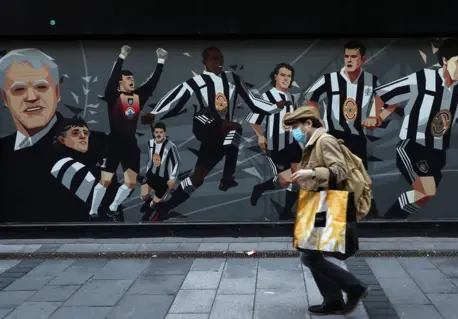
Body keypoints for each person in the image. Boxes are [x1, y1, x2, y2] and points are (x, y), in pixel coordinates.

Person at [147, 47, 289, 217]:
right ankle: (228, 176)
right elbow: (176, 96)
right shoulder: (197, 82)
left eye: (220, 59)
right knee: (233, 127)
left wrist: (274, 107)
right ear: (205, 62)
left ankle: (165, 207)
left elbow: (253, 101)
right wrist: (155, 113)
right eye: (214, 59)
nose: (218, 62)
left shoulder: (232, 78)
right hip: (204, 125)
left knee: (197, 178)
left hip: (220, 137)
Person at [365, 38, 458, 219]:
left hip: (437, 152)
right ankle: (388, 220)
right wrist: (373, 116)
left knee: (424, 195)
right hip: (413, 147)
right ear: (445, 60)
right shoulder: (423, 78)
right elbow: (384, 94)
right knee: (426, 190)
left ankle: (391, 220)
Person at [283, 106, 369, 316]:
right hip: (317, 203)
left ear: (309, 124)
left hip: (326, 204)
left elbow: (339, 171)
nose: (294, 131)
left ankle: (353, 287)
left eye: (296, 126)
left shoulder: (325, 141)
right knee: (309, 252)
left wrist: (311, 171)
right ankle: (333, 300)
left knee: (309, 255)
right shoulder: (312, 143)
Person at [302, 40, 384, 218]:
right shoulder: (330, 79)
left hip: (358, 137)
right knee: (333, 178)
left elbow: (384, 96)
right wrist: (318, 121)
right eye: (346, 56)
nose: (349, 60)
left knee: (360, 178)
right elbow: (310, 98)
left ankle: (363, 214)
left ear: (362, 59)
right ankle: (327, 219)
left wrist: (374, 114)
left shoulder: (371, 80)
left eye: (353, 56)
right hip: (334, 138)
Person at [0, 48, 82, 222]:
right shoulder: (3, 152)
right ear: (5, 99)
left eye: (41, 87)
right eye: (19, 89)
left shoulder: (87, 145)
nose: (31, 97)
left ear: (57, 93)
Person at [89, 45, 167, 218]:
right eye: (128, 78)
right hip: (113, 143)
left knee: (131, 183)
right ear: (120, 82)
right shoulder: (113, 96)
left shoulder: (138, 96)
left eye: (133, 78)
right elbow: (111, 79)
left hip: (130, 145)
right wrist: (122, 56)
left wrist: (161, 61)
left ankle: (113, 207)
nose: (132, 80)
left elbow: (152, 84)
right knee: (106, 181)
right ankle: (93, 211)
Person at [246, 62, 302, 219]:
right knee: (285, 180)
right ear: (276, 76)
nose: (286, 79)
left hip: (293, 143)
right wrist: (260, 135)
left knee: (297, 179)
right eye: (283, 75)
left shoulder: (292, 97)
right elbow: (253, 119)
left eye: (289, 76)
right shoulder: (267, 96)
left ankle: (286, 212)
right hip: (276, 144)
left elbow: (296, 121)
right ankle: (260, 188)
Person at [139, 121, 181, 221]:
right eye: (156, 132)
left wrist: (172, 178)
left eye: (161, 132)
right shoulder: (150, 143)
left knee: (155, 202)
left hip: (164, 178)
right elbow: (150, 159)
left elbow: (177, 163)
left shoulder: (171, 146)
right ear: (154, 133)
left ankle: (150, 209)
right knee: (143, 195)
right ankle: (149, 201)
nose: (158, 134)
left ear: (165, 133)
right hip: (151, 175)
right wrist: (147, 172)